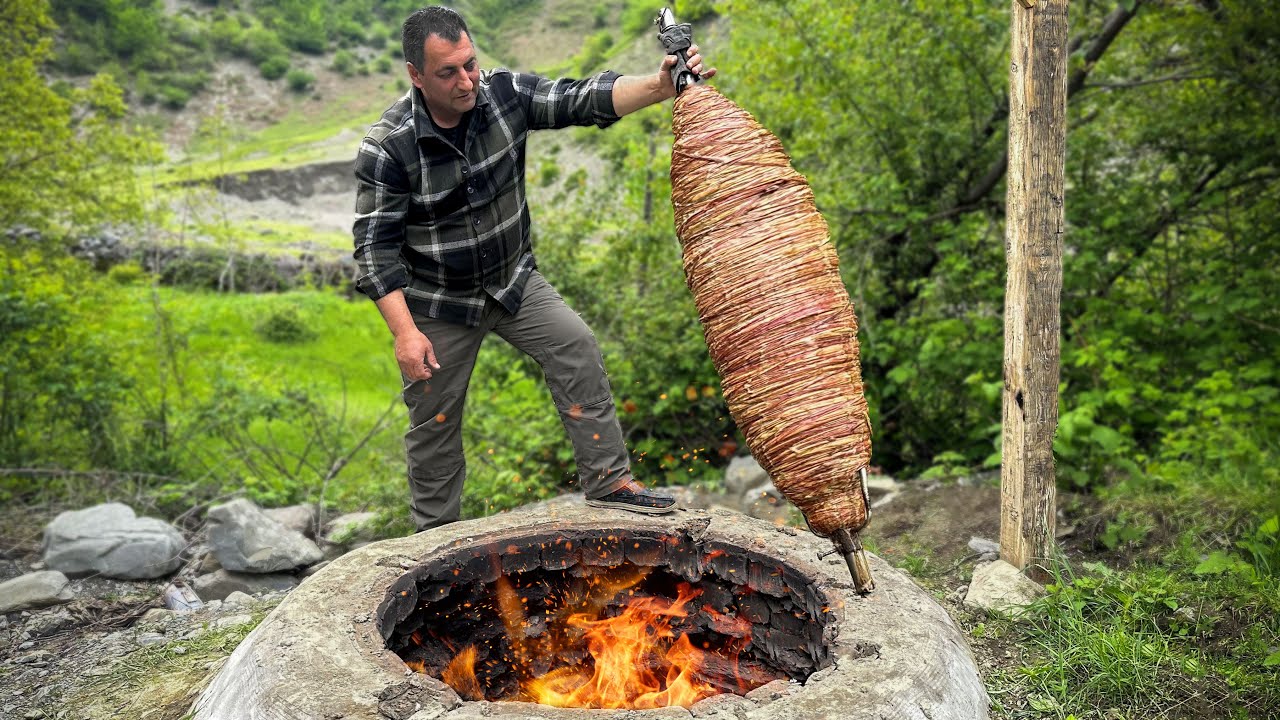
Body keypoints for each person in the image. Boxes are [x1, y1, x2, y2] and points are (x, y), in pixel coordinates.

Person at [352, 6, 716, 532]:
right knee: (434, 423)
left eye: (470, 64)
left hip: (512, 281)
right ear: (415, 75)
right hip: (438, 302)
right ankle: (433, 539)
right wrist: (405, 334)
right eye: (448, 72)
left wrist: (660, 86)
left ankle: (608, 482)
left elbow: (579, 98)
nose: (466, 81)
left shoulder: (503, 94)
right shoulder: (388, 146)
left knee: (576, 346)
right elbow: (373, 250)